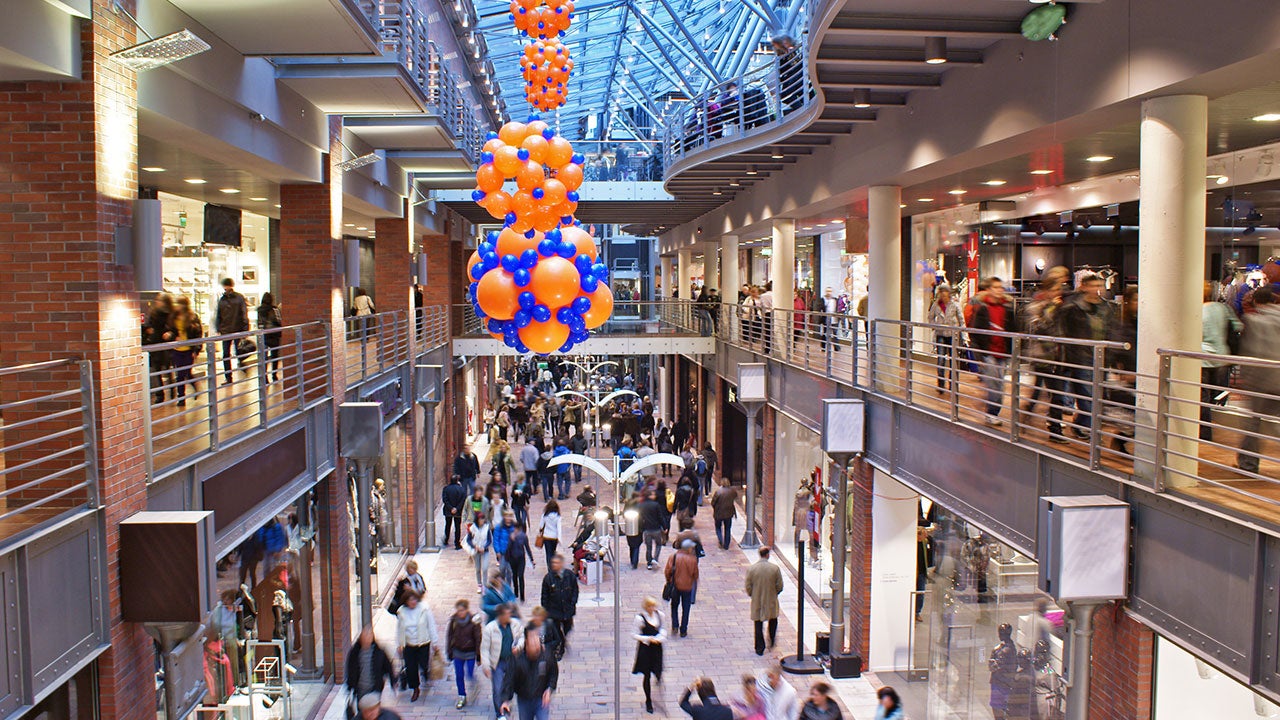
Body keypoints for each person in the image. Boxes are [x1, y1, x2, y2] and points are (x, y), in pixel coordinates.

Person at [1057, 273, 1116, 440]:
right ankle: (1086, 427)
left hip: (1102, 356)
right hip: (1080, 356)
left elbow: (1112, 331)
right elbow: (1065, 333)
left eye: (1099, 286)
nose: (1096, 290)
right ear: (1083, 287)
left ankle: (1083, 423)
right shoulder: (1072, 308)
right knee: (1086, 394)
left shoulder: (1107, 308)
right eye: (1093, 286)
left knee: (1097, 393)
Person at [1236, 286, 1280, 474]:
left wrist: (1245, 377)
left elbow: (1251, 351)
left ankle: (1248, 465)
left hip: (1261, 380)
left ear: (1255, 301)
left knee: (1254, 423)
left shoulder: (1253, 320)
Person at [968, 276, 1016, 426]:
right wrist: (980, 356)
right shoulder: (983, 309)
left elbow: (1014, 330)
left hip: (1003, 353)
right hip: (989, 353)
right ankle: (992, 412)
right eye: (995, 287)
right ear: (989, 290)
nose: (998, 290)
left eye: (1000, 287)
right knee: (994, 385)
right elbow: (975, 333)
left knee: (1000, 385)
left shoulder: (1007, 309)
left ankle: (992, 409)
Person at [1201, 282, 1241, 441]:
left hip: (1202, 359)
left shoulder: (1195, 311)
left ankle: (1205, 434)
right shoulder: (1223, 308)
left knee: (1202, 398)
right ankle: (1211, 428)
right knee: (1217, 397)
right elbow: (1238, 326)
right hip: (1222, 357)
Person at [499, 626, 558, 720]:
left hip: (541, 699)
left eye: (536, 639)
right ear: (526, 642)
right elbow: (509, 680)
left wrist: (549, 688)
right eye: (532, 640)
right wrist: (505, 700)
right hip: (524, 700)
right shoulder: (517, 660)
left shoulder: (547, 655)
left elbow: (553, 674)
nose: (535, 643)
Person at [481, 604, 525, 719]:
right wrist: (486, 666)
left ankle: (507, 702)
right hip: (498, 662)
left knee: (512, 684)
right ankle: (500, 713)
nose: (509, 616)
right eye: (506, 614)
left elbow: (522, 637)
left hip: (513, 660)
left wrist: (519, 646)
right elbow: (485, 649)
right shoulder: (490, 629)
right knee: (497, 687)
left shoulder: (515, 624)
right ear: (500, 615)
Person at [395, 590, 439, 701]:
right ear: (406, 601)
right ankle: (415, 688)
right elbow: (400, 629)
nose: (413, 602)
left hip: (423, 642)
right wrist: (399, 644)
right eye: (410, 600)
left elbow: (431, 625)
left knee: (423, 663)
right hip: (409, 644)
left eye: (414, 599)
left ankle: (425, 672)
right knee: (411, 667)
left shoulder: (424, 609)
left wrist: (435, 642)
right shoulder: (402, 612)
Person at [345, 625, 395, 719]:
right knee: (363, 713)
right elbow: (350, 669)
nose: (367, 640)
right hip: (360, 689)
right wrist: (350, 686)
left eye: (369, 637)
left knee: (373, 712)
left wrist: (393, 680)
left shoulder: (378, 652)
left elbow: (388, 666)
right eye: (365, 637)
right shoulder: (355, 653)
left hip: (375, 688)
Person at [165, 296, 203, 407]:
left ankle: (194, 386)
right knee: (180, 375)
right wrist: (171, 336)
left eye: (179, 304)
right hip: (177, 350)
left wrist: (196, 349)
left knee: (186, 372)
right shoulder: (173, 317)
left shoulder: (192, 317)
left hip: (188, 349)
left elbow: (198, 334)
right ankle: (181, 398)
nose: (177, 306)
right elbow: (171, 331)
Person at [745, 547, 784, 655]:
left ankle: (759, 648)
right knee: (773, 620)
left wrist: (753, 594)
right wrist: (774, 593)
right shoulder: (774, 568)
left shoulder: (752, 569)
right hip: (771, 599)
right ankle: (771, 640)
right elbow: (780, 585)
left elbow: (748, 586)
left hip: (757, 600)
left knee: (758, 624)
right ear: (767, 555)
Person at [632, 596, 667, 714]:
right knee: (646, 675)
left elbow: (663, 629)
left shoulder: (659, 615)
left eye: (654, 606)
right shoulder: (640, 618)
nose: (653, 608)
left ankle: (658, 678)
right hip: (645, 649)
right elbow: (634, 634)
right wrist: (648, 639)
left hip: (657, 648)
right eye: (650, 606)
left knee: (658, 669)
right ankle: (648, 700)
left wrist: (659, 638)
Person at [446, 599, 482, 709]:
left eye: (462, 610)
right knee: (459, 675)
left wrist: (478, 655)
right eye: (458, 610)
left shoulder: (474, 621)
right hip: (458, 651)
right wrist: (449, 651)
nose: (460, 613)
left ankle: (474, 684)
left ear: (466, 610)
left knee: (469, 673)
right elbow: (449, 636)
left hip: (470, 652)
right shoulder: (454, 621)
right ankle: (462, 696)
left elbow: (478, 639)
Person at [928, 285, 964, 394]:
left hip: (953, 335)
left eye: (945, 293)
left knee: (953, 360)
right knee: (941, 359)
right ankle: (941, 384)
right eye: (941, 294)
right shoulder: (936, 305)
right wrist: (934, 326)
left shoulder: (955, 304)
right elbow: (930, 317)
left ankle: (953, 385)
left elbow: (961, 320)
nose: (943, 296)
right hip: (941, 334)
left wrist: (963, 333)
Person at [541, 554, 579, 652]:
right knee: (556, 631)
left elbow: (575, 590)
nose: (554, 565)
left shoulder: (569, 575)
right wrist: (546, 610)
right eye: (553, 563)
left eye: (557, 563)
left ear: (561, 564)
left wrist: (572, 603)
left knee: (568, 627)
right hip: (554, 611)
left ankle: (563, 640)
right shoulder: (548, 578)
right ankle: (561, 646)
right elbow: (544, 596)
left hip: (567, 609)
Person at [214, 277, 249, 383]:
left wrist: (245, 328)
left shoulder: (231, 298)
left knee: (235, 352)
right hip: (229, 330)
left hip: (233, 329)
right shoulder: (228, 298)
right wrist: (218, 327)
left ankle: (233, 373)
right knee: (227, 354)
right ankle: (229, 376)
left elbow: (243, 313)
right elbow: (219, 315)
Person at [143, 292, 174, 404]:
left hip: (166, 345)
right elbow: (149, 325)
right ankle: (160, 394)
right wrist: (148, 330)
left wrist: (170, 334)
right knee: (157, 370)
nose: (158, 302)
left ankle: (172, 391)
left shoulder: (170, 314)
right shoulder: (154, 313)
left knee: (167, 369)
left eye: (160, 300)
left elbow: (174, 329)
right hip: (156, 344)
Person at [664, 539, 699, 637]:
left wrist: (669, 581)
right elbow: (695, 574)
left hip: (675, 586)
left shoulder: (673, 557)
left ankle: (675, 625)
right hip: (687, 587)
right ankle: (683, 629)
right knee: (686, 607)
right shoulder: (692, 559)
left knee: (674, 606)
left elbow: (667, 571)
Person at [506, 522, 537, 602]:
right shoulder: (510, 536)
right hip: (512, 558)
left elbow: (527, 548)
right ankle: (516, 591)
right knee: (514, 575)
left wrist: (532, 559)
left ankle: (522, 595)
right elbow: (508, 549)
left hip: (521, 559)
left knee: (520, 575)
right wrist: (511, 540)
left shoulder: (523, 536)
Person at [257, 292, 283, 383]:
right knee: (274, 356)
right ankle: (274, 375)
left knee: (264, 357)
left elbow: (259, 323)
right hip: (274, 334)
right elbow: (279, 321)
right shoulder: (274, 309)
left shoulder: (259, 310)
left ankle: (264, 377)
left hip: (264, 335)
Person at [466, 512, 494, 594]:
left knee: (485, 568)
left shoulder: (487, 528)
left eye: (483, 519)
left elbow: (489, 540)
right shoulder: (472, 528)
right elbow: (469, 540)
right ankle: (479, 584)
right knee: (478, 568)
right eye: (481, 519)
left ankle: (485, 585)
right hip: (476, 551)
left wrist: (484, 547)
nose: (482, 520)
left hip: (484, 551)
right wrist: (475, 547)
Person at [711, 479, 738, 550]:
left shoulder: (718, 492)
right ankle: (726, 545)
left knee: (718, 527)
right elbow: (736, 496)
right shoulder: (732, 491)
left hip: (719, 513)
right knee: (728, 528)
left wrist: (715, 507)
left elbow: (713, 502)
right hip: (729, 513)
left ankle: (720, 539)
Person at [442, 475, 467, 549]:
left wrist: (451, 508)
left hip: (448, 511)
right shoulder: (462, 489)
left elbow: (445, 500)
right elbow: (463, 500)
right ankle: (457, 543)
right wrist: (457, 508)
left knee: (447, 525)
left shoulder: (446, 489)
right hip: (458, 511)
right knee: (457, 527)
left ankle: (446, 540)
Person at [538, 500, 562, 566]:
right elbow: (559, 528)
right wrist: (559, 538)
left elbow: (541, 525)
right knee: (553, 552)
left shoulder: (544, 515)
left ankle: (549, 568)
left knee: (548, 553)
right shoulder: (558, 517)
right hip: (554, 537)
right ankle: (553, 565)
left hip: (546, 536)